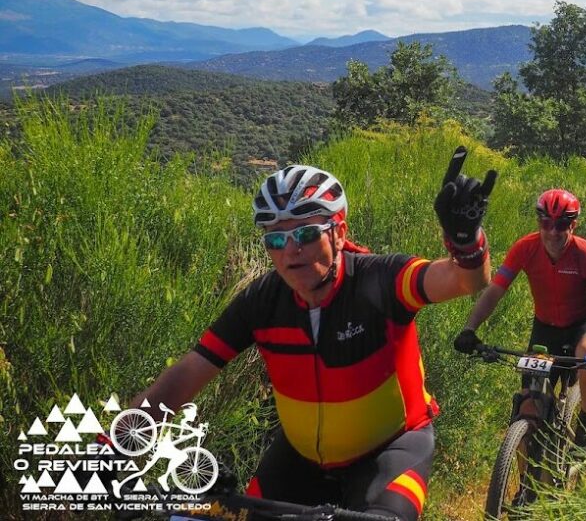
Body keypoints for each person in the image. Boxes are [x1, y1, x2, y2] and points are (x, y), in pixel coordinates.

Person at [103, 148, 495, 521]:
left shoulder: (381, 280)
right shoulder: (262, 300)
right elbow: (183, 379)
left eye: (306, 235)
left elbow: (464, 281)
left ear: (338, 233)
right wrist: (109, 452)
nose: (291, 252)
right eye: (276, 240)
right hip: (300, 456)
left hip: (391, 449)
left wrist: (466, 242)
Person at [453, 188, 586, 451]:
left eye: (561, 224)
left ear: (573, 224)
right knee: (527, 409)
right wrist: (470, 329)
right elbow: (495, 291)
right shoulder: (525, 248)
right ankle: (523, 490)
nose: (552, 231)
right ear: (538, 222)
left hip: (585, 322)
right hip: (546, 328)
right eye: (545, 223)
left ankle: (585, 418)